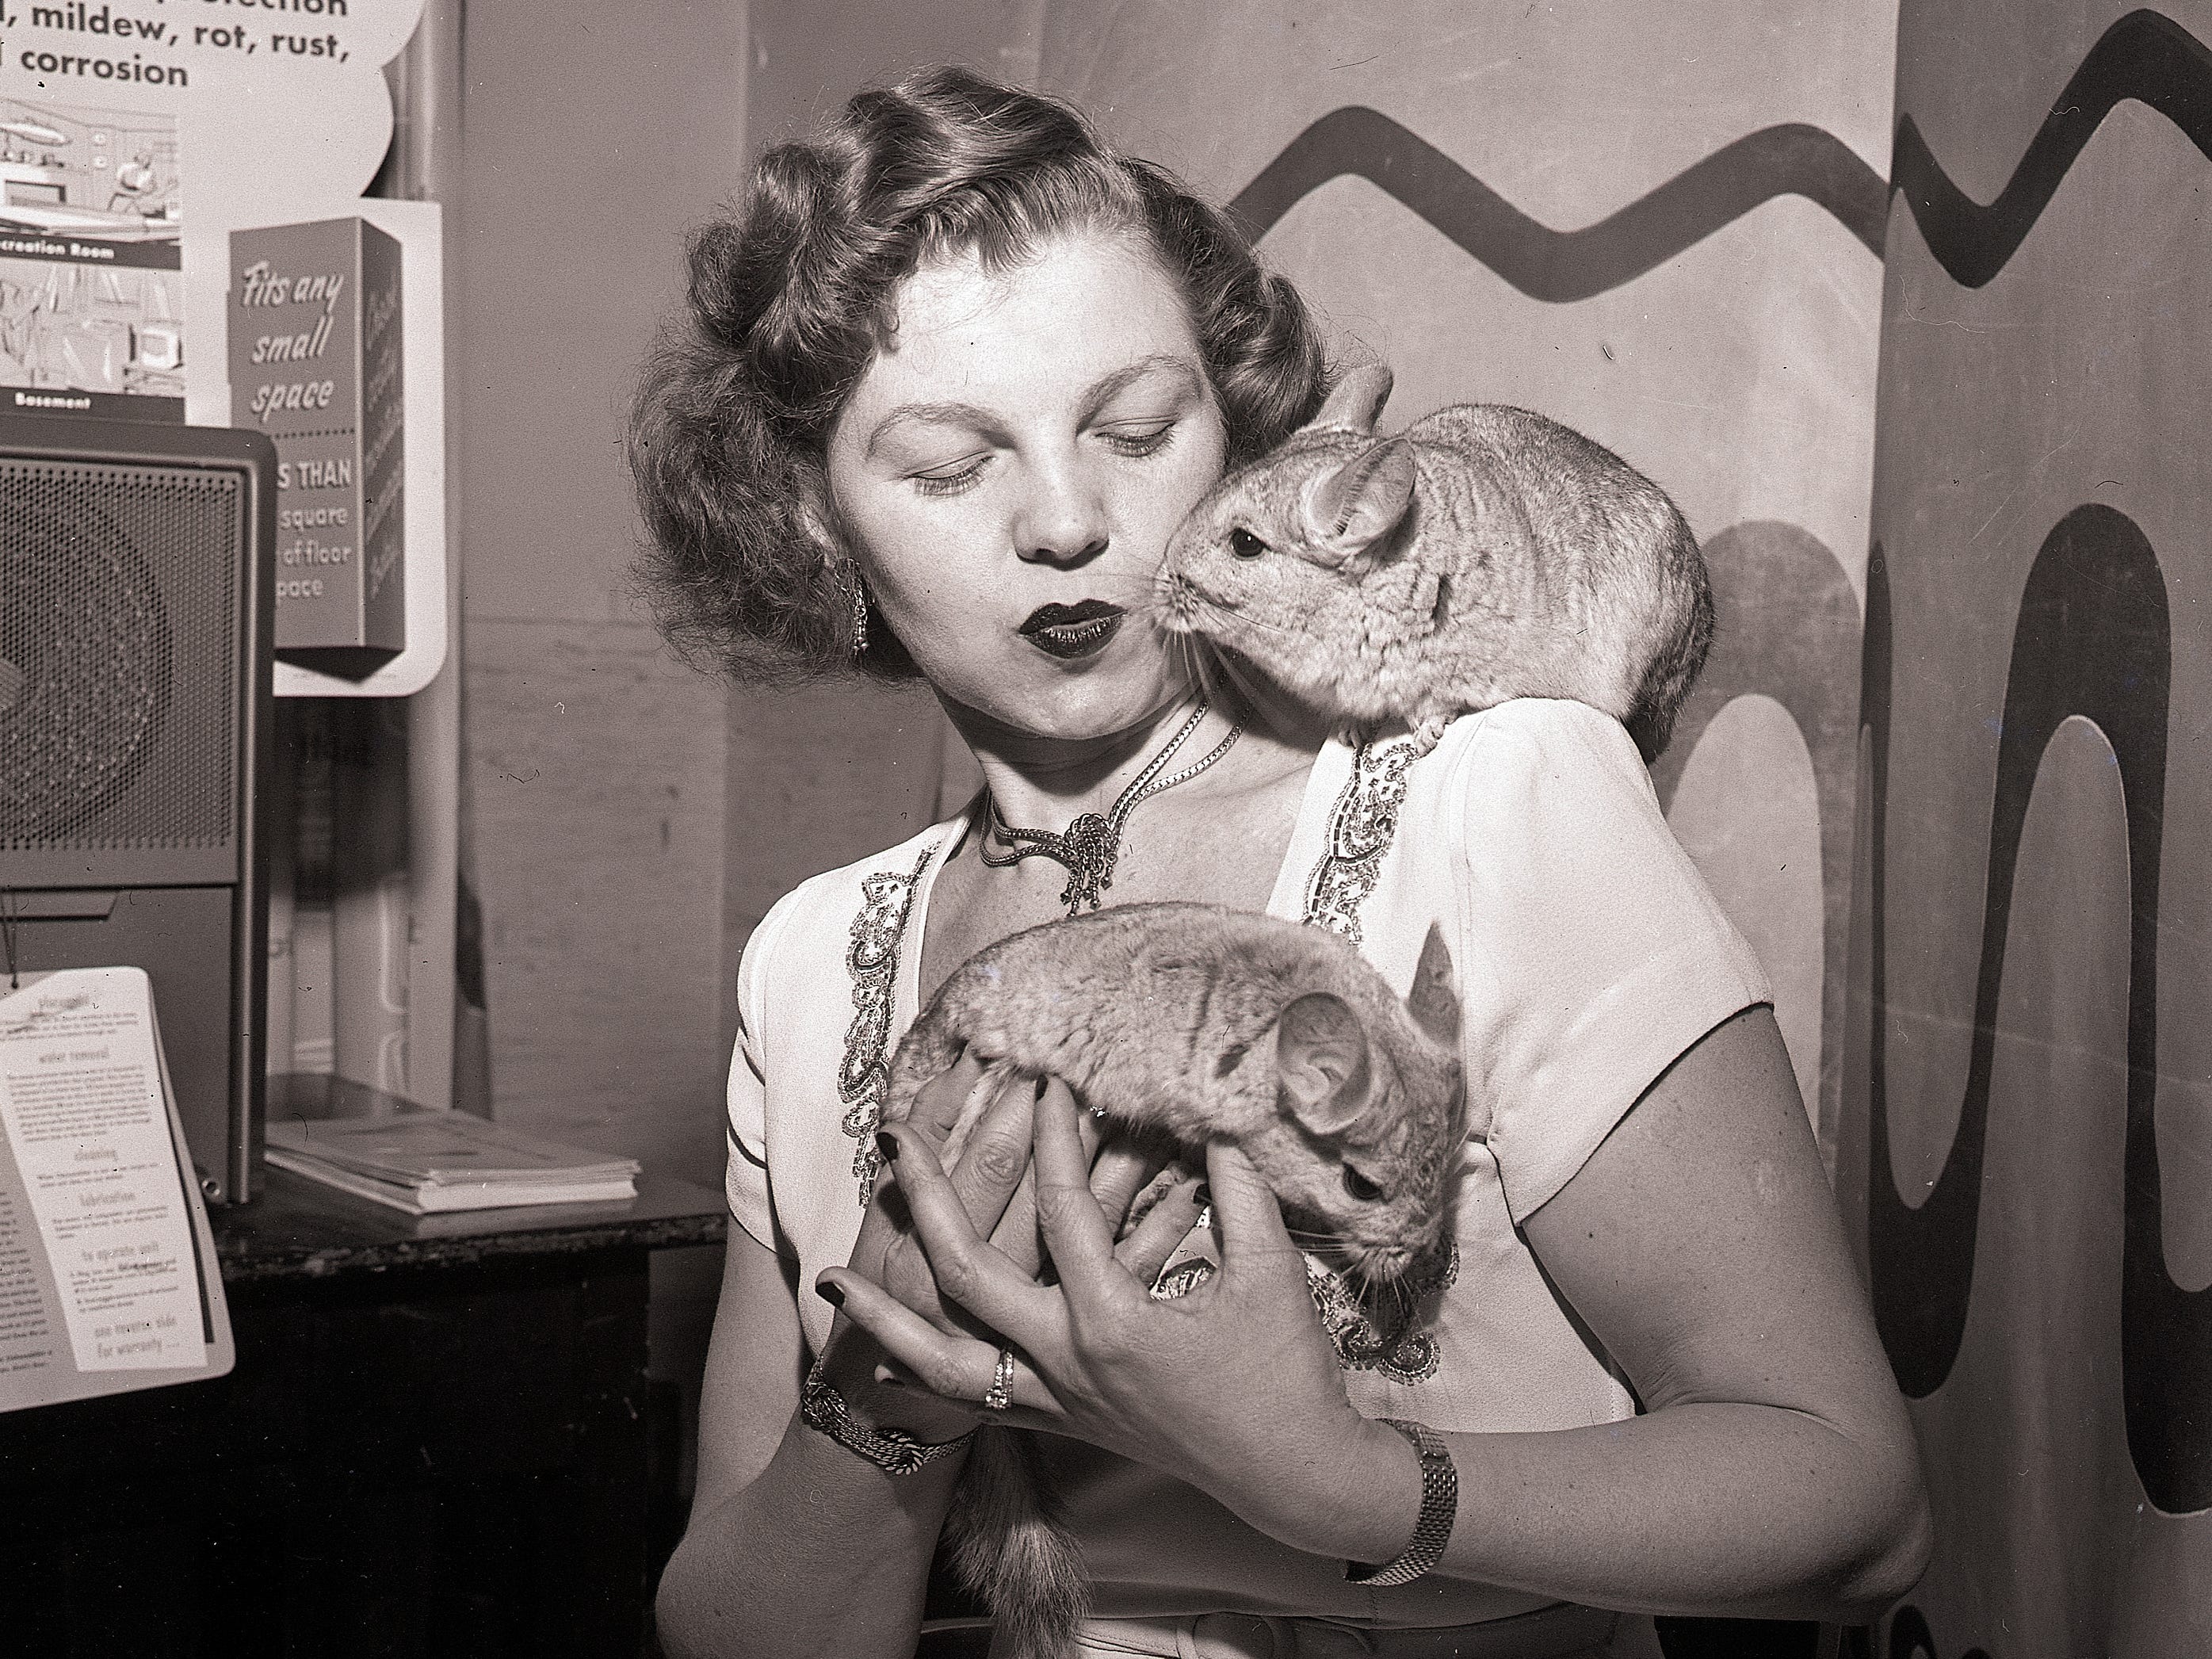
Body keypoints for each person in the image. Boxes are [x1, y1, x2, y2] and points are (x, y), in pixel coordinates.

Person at [632, 67, 1931, 1659]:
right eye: (951, 463)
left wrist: (1347, 1486)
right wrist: (888, 1389)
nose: (1066, 519)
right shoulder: (812, 956)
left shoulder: (1495, 800)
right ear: (813, 515)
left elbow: (1857, 1512)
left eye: (1133, 426)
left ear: (1237, 428)